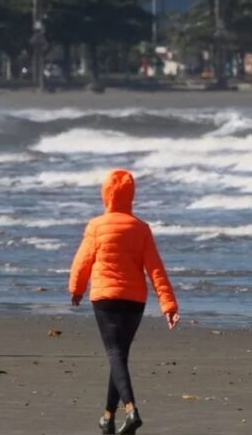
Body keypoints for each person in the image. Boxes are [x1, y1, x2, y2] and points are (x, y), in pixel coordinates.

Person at [69, 169, 179, 435]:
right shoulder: (141, 228)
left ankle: (131, 410)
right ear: (131, 195)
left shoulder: (96, 226)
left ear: (105, 195)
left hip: (105, 298)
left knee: (115, 353)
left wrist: (76, 288)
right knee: (119, 354)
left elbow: (82, 260)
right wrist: (168, 305)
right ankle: (108, 417)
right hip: (134, 301)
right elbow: (155, 269)